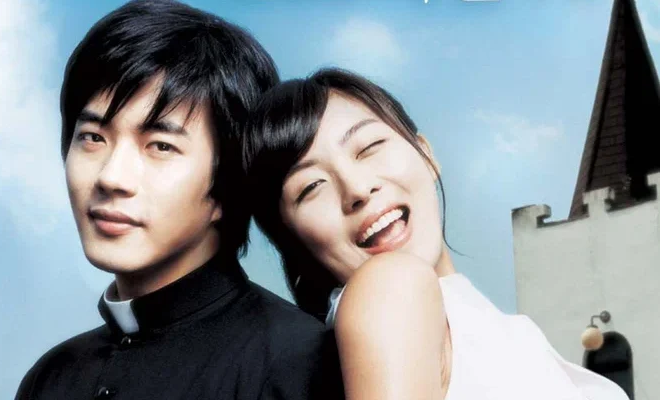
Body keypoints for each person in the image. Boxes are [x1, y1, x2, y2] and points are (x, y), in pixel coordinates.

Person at [15, 2, 343, 399]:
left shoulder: (298, 364)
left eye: (160, 146)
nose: (111, 177)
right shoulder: (50, 378)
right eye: (93, 138)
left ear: (230, 179)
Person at [243, 67, 630, 400]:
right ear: (293, 241)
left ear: (426, 154)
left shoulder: (504, 329)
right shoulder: (391, 286)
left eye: (370, 146)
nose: (358, 188)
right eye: (311, 187)